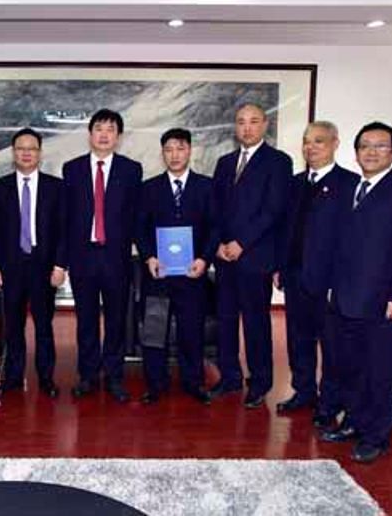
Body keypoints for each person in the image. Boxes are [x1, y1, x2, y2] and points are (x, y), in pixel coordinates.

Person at [321, 122, 392, 464]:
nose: (371, 152)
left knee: (381, 372)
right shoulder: (349, 190)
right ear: (355, 153)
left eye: (380, 146)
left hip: (384, 304)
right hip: (344, 300)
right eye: (365, 146)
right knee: (351, 368)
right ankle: (354, 421)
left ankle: (377, 436)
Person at [274, 121, 358, 428]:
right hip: (295, 275)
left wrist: (342, 280)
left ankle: (330, 402)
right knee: (298, 339)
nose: (311, 147)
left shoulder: (350, 184)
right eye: (307, 141)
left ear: (335, 143)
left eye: (319, 141)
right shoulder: (295, 183)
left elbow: (353, 239)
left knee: (332, 344)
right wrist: (280, 267)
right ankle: (304, 391)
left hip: (329, 281)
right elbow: (286, 230)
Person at [211, 103, 292, 408]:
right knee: (226, 320)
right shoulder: (224, 162)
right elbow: (215, 208)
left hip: (255, 256)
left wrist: (241, 243)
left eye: (254, 121)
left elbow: (273, 209)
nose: (247, 127)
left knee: (255, 322)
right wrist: (219, 244)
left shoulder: (278, 161)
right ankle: (230, 377)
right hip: (224, 257)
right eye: (241, 122)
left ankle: (260, 382)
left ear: (265, 125)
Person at [62, 108, 143, 403]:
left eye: (111, 129)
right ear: (90, 134)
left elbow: (136, 216)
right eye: (99, 128)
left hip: (116, 257)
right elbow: (66, 218)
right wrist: (63, 260)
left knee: (116, 319)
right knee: (85, 320)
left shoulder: (131, 170)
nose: (104, 134)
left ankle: (114, 376)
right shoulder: (72, 169)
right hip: (82, 257)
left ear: (118, 136)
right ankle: (87, 375)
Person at [136, 127, 216, 405]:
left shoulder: (206, 187)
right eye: (169, 149)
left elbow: (214, 228)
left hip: (193, 273)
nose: (175, 155)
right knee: (155, 331)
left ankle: (193, 382)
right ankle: (155, 384)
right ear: (163, 153)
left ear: (190, 150)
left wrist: (204, 258)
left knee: (191, 330)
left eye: (180, 148)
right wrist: (149, 256)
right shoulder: (149, 188)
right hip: (158, 273)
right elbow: (139, 228)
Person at [0, 129, 66, 398]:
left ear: (39, 153)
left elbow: (63, 230)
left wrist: (60, 265)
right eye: (21, 148)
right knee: (13, 326)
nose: (26, 153)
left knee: (44, 325)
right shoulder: (0, 187)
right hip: (10, 267)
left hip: (44, 266)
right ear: (13, 153)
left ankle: (46, 378)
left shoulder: (56, 187)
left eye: (31, 148)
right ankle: (12, 377)